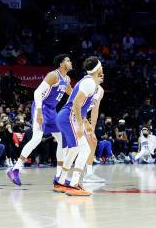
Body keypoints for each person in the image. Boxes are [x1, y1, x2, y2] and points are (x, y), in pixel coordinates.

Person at [7, 54, 72, 186]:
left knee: (62, 139)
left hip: (52, 111)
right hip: (41, 106)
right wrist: (38, 112)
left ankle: (60, 175)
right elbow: (37, 93)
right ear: (61, 64)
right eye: (68, 60)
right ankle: (15, 169)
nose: (71, 62)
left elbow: (71, 93)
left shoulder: (67, 79)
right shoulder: (53, 75)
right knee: (36, 138)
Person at [54, 56, 104, 196]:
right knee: (84, 149)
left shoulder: (90, 82)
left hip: (65, 117)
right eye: (101, 66)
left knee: (74, 149)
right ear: (97, 69)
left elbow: (81, 106)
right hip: (69, 117)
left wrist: (85, 124)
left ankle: (61, 180)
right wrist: (81, 125)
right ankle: (74, 183)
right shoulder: (89, 84)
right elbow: (76, 103)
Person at [82, 83, 106, 183]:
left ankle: (88, 174)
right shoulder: (86, 84)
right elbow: (76, 104)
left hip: (81, 115)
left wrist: (92, 130)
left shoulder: (100, 90)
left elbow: (95, 111)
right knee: (74, 147)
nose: (102, 75)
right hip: (73, 113)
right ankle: (62, 175)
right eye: (99, 72)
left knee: (92, 142)